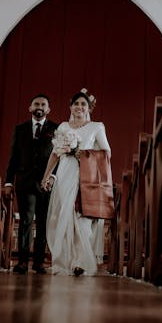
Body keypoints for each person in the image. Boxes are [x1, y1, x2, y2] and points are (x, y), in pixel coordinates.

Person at [41, 90, 111, 276]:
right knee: (64, 215)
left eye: (83, 104)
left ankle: (80, 261)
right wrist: (46, 175)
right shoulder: (64, 126)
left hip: (86, 175)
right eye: (76, 104)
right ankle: (64, 260)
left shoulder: (97, 127)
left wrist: (84, 154)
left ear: (88, 108)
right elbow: (55, 154)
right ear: (70, 107)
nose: (79, 107)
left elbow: (106, 153)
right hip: (65, 174)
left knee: (81, 216)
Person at [4, 94, 58, 274]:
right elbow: (13, 158)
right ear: (30, 107)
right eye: (36, 103)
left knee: (43, 222)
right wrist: (8, 182)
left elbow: (60, 158)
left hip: (46, 184)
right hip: (25, 182)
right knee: (26, 221)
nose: (40, 106)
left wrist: (52, 177)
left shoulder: (56, 129)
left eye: (43, 104)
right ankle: (22, 262)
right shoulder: (20, 129)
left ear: (48, 109)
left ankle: (39, 262)